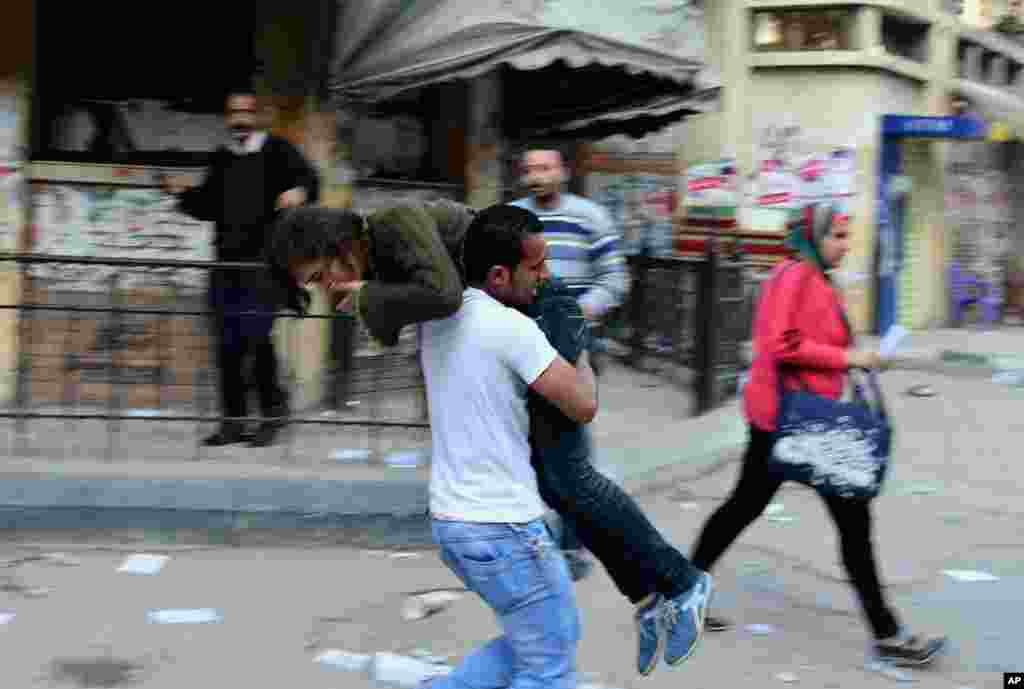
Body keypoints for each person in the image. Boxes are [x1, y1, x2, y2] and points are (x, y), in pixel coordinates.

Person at [689, 201, 948, 667]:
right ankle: (887, 634)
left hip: (803, 418)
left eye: (847, 237)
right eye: (838, 237)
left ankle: (677, 595)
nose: (845, 246)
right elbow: (782, 343)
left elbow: (817, 341)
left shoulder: (817, 277)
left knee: (747, 506)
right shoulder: (794, 274)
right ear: (813, 236)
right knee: (846, 520)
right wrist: (851, 359)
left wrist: (860, 355)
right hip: (787, 420)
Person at [419, 204, 599, 689]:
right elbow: (582, 404)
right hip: (504, 529)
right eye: (536, 266)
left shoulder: (438, 319)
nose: (545, 276)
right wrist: (578, 342)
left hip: (455, 525)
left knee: (551, 635)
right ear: (499, 275)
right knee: (548, 668)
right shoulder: (512, 329)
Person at [522, 276, 712, 676]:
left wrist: (579, 325)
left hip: (550, 321)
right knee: (557, 487)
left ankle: (683, 582)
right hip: (530, 326)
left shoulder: (573, 229)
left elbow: (613, 276)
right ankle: (648, 599)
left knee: (573, 480)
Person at [163, 83, 319, 447]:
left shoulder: (277, 150)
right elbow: (207, 206)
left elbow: (310, 179)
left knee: (258, 342)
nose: (239, 120)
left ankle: (272, 417)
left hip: (263, 266)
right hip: (225, 265)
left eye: (246, 112)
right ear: (226, 118)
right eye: (233, 113)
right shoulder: (222, 157)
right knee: (227, 346)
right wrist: (180, 194)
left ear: (257, 115)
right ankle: (232, 422)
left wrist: (299, 192)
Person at [510, 147, 630, 581]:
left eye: (545, 168)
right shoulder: (510, 219)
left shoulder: (591, 217)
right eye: (530, 169)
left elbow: (616, 279)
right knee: (517, 444)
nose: (537, 176)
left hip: (573, 352)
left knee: (571, 454)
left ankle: (575, 546)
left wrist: (575, 313)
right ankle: (527, 543)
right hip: (518, 350)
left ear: (563, 172)